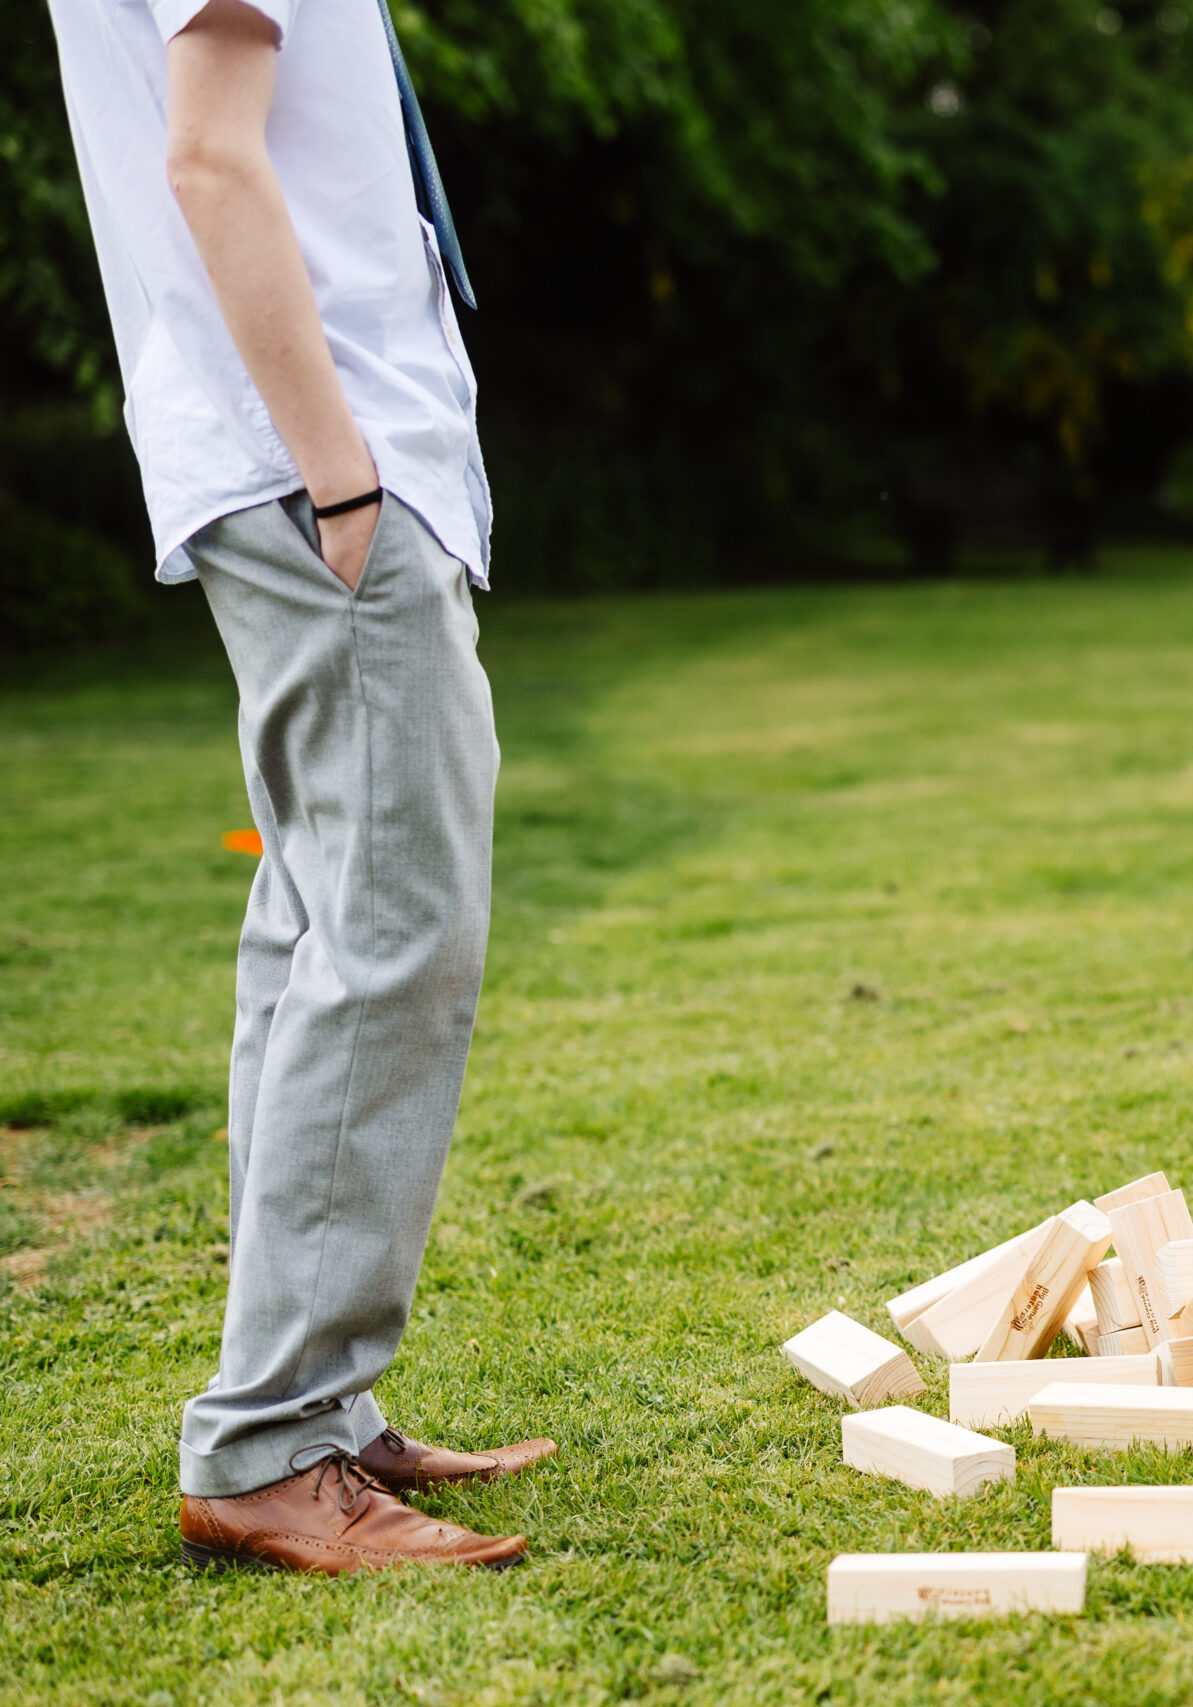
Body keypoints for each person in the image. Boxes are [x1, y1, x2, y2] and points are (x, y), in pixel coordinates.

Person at [46, 0, 550, 1566]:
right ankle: (271, 1443)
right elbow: (208, 162)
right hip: (319, 467)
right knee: (395, 930)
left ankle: (311, 1414)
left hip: (291, 462)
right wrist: (346, 473)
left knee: (322, 919)